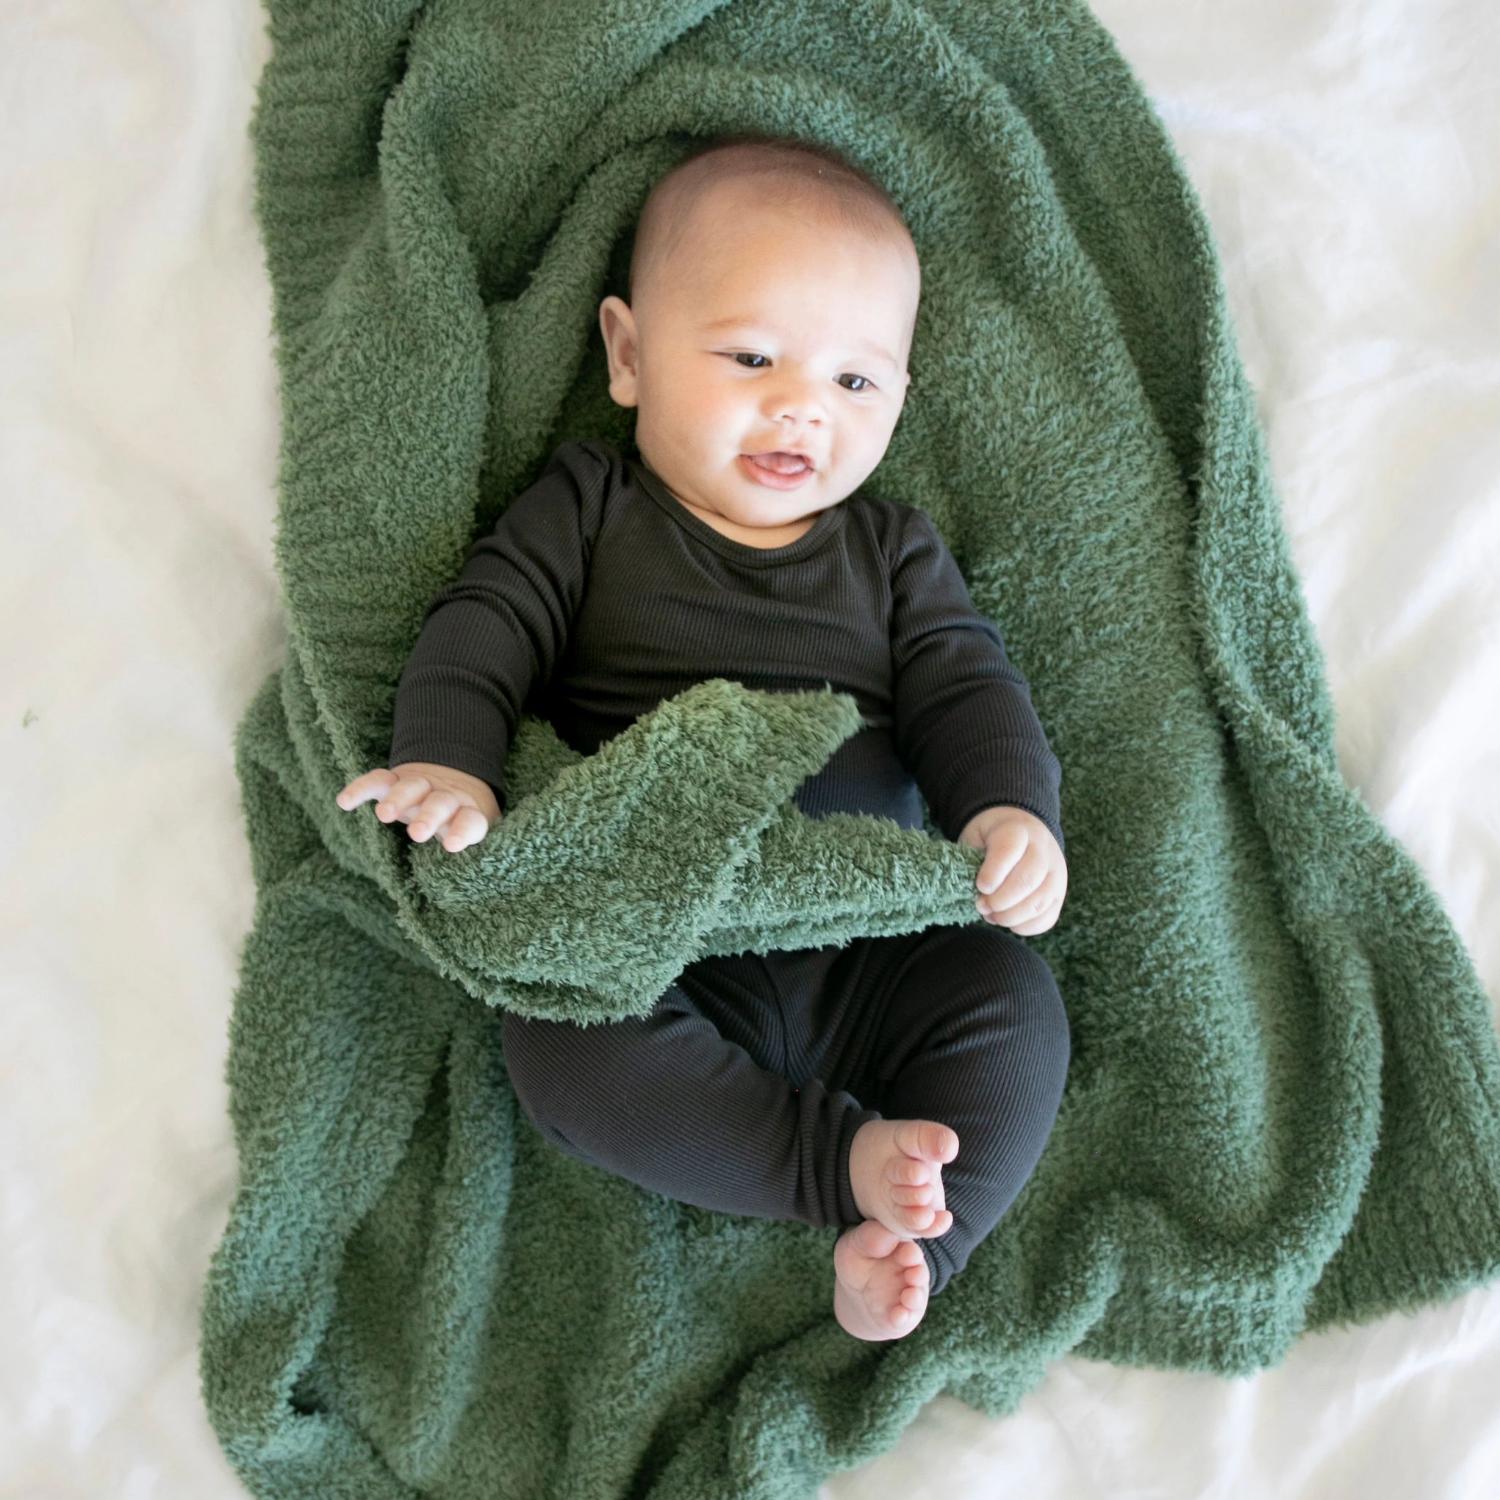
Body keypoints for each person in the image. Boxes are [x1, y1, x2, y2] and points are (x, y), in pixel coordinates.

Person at [334, 134, 1071, 1341]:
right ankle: (830, 1166)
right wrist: (451, 763)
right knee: (563, 1044)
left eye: (857, 382)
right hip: (664, 947)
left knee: (1014, 1005)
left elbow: (968, 688)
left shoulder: (892, 553)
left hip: (872, 947)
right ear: (628, 356)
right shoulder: (590, 509)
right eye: (752, 357)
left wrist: (1009, 812)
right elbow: (484, 627)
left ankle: (920, 1247)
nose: (802, 406)